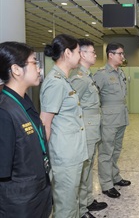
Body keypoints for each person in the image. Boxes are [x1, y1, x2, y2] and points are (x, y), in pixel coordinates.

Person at [0, 41, 52, 217]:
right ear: (16, 69)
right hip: (19, 203)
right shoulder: (4, 111)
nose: (39, 69)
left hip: (37, 193)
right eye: (34, 62)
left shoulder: (24, 101)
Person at [40, 34, 88, 218]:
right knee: (65, 206)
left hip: (72, 152)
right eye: (77, 52)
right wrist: (43, 157)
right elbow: (45, 122)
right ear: (67, 53)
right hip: (64, 155)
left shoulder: (64, 79)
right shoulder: (55, 82)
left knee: (71, 200)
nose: (80, 56)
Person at [69, 39, 107, 218]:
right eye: (93, 52)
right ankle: (81, 209)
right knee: (84, 169)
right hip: (86, 128)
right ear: (82, 54)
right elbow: (70, 106)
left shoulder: (87, 75)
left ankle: (88, 200)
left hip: (92, 128)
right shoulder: (79, 78)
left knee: (89, 166)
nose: (95, 55)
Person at [94, 42, 131, 199]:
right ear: (111, 55)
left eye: (123, 53)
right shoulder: (101, 74)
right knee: (105, 152)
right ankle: (106, 184)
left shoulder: (120, 72)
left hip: (121, 116)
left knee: (116, 150)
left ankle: (115, 177)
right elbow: (93, 97)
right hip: (109, 118)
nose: (123, 56)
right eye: (120, 53)